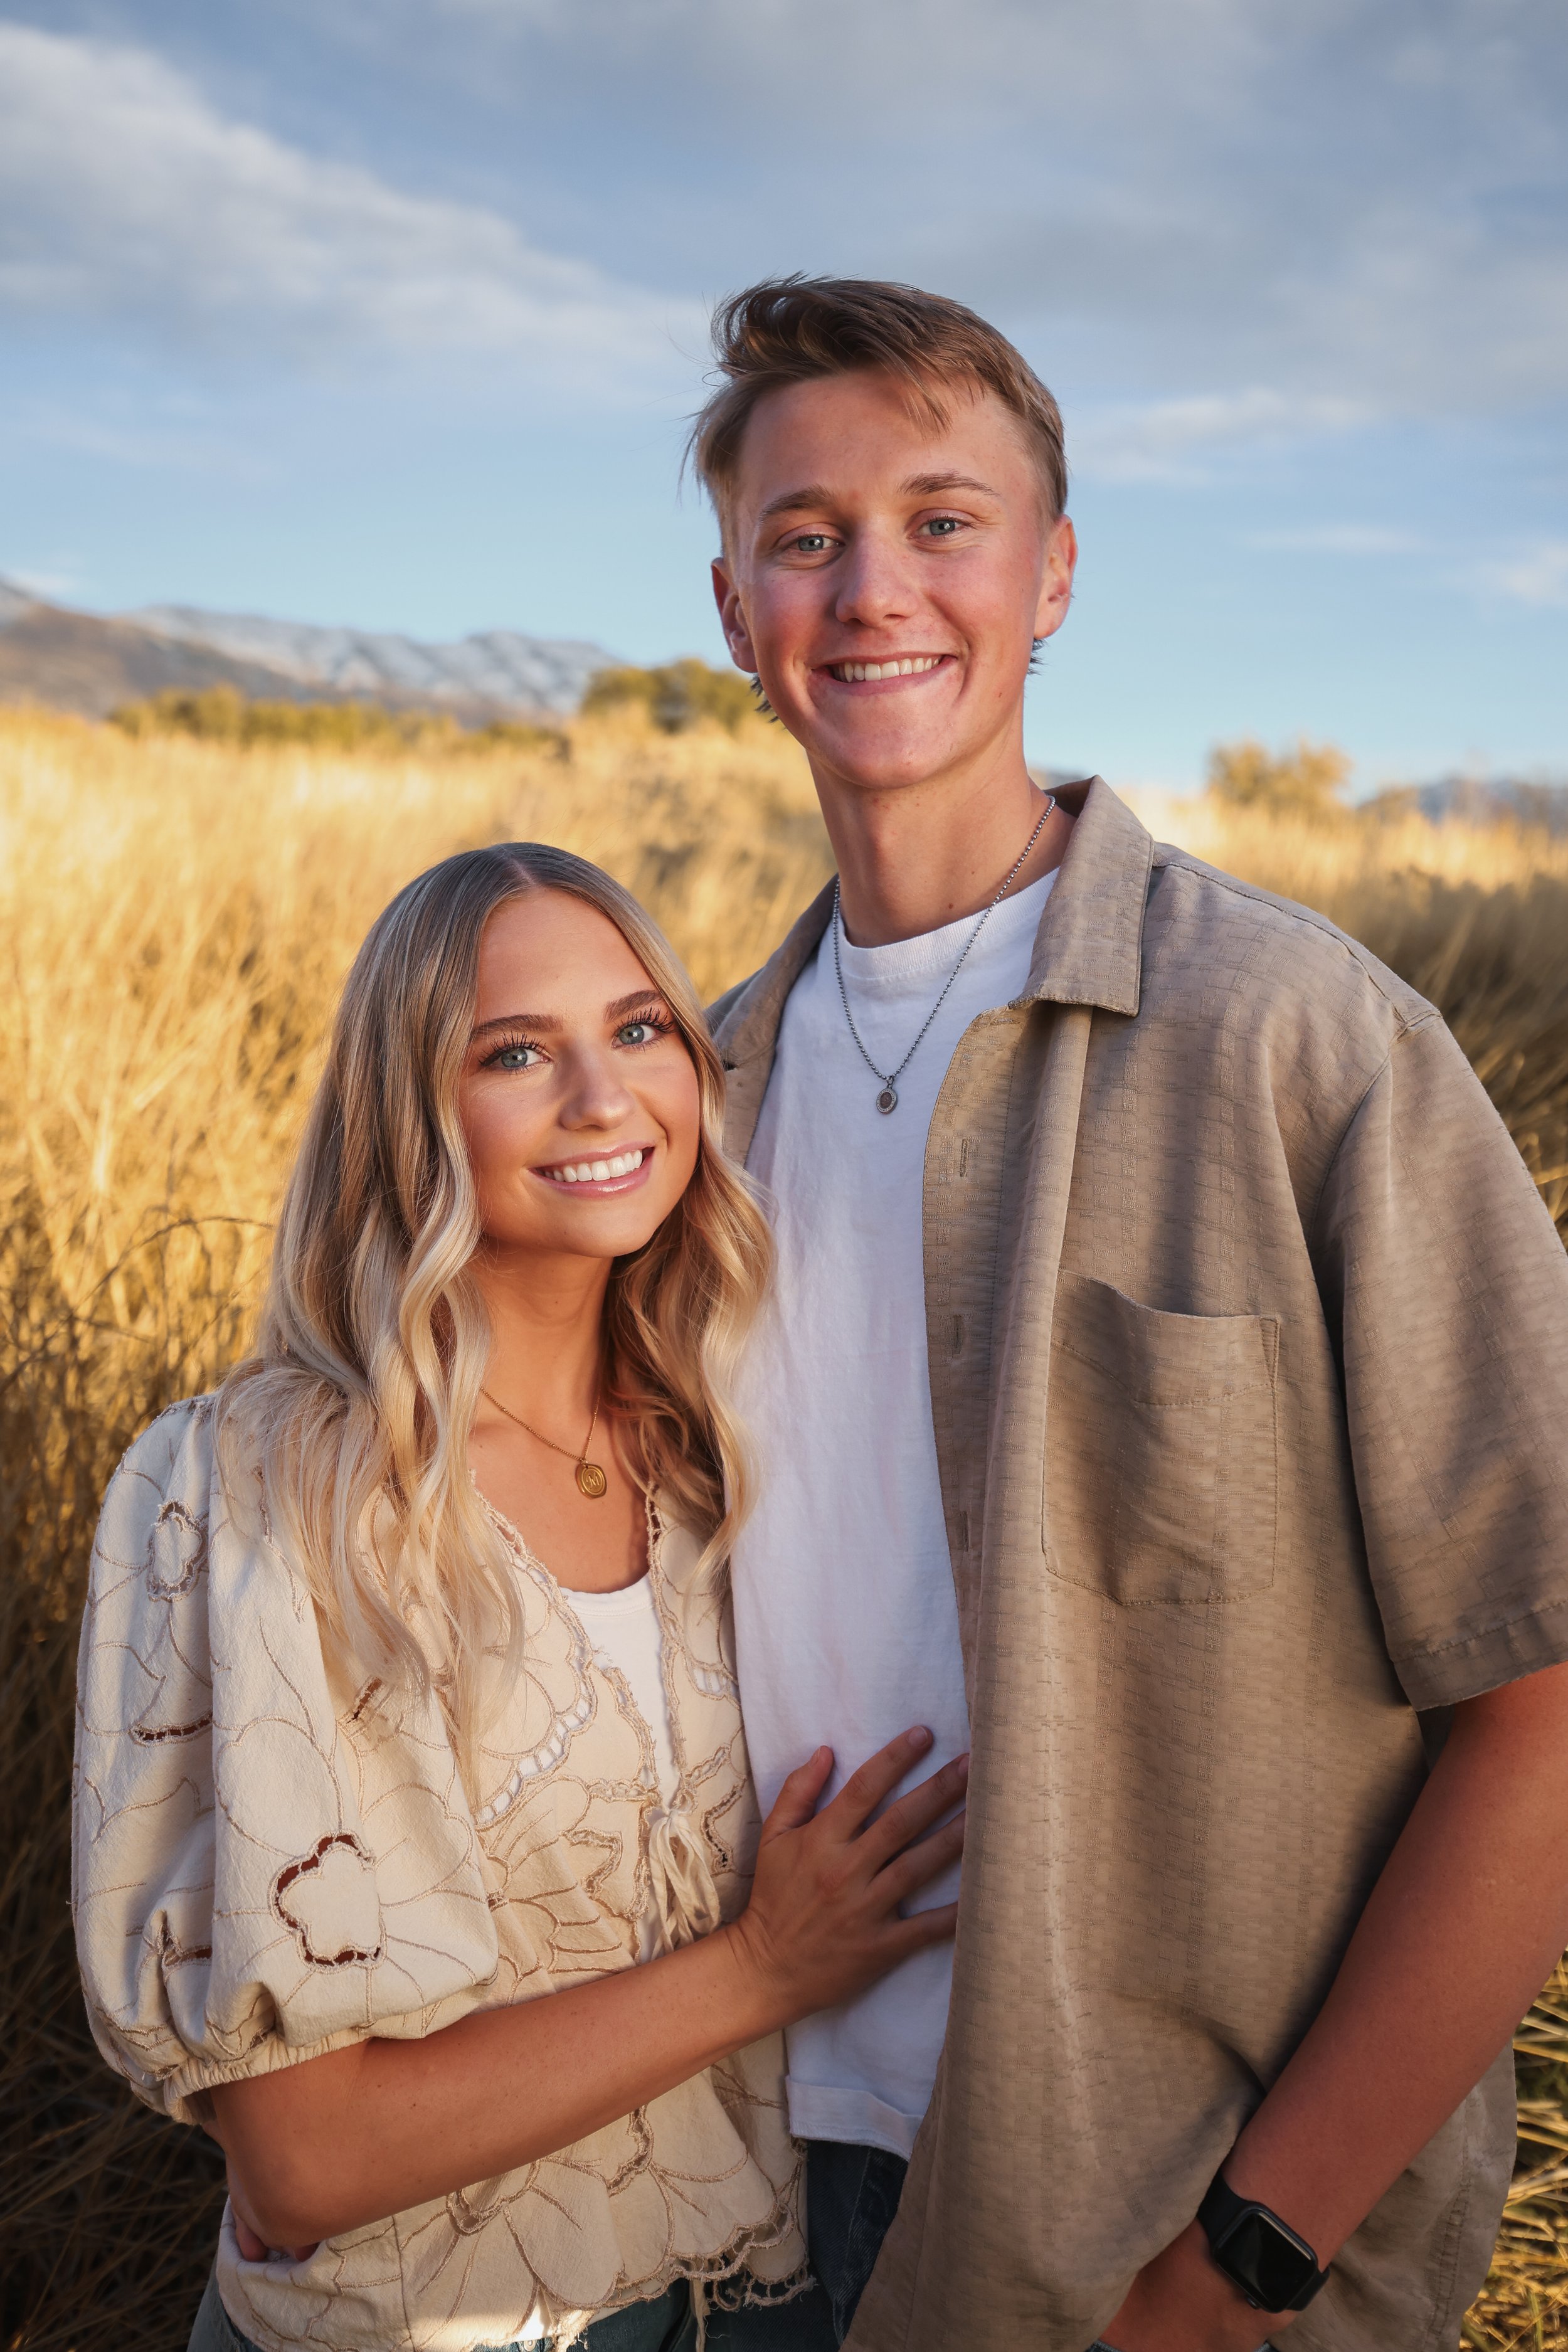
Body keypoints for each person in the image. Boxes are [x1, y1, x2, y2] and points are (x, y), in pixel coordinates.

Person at [695, 276, 1568, 2352]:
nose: (872, 586)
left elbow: (1540, 1711)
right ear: (734, 609)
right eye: (805, 535)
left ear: (1057, 573)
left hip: (1148, 2240)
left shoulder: (1299, 1044)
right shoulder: (691, 1107)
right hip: (731, 2194)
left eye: (944, 517)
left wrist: (1242, 2266)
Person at [72, 842, 967, 2352]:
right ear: (410, 1111)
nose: (602, 1098)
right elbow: (306, 2160)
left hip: (754, 2309)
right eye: (513, 1054)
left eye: (637, 1030)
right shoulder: (272, 1489)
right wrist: (762, 1964)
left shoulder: (711, 1455)